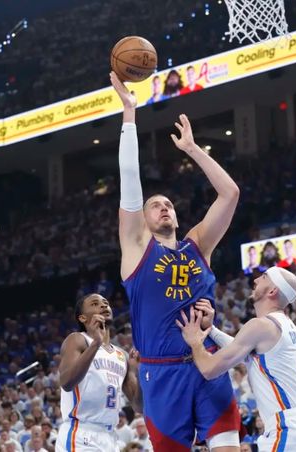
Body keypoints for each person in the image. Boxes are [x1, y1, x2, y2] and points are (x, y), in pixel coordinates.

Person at [111, 71, 241, 451]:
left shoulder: (197, 245)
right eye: (155, 205)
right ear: (142, 219)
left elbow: (230, 194)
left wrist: (193, 149)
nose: (164, 207)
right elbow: (129, 179)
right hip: (162, 373)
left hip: (207, 361)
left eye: (169, 204)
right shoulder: (137, 249)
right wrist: (129, 113)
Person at [176, 267, 296, 451]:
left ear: (272, 291)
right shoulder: (288, 328)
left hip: (288, 428)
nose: (255, 280)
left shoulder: (261, 325)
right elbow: (247, 353)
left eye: (263, 277)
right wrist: (212, 330)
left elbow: (209, 369)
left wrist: (195, 342)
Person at [56, 293, 141, 452]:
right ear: (82, 318)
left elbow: (139, 406)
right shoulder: (77, 339)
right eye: (95, 304)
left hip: (110, 436)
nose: (103, 305)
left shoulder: (122, 355)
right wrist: (96, 343)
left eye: (106, 303)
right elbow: (66, 382)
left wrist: (140, 372)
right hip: (81, 432)